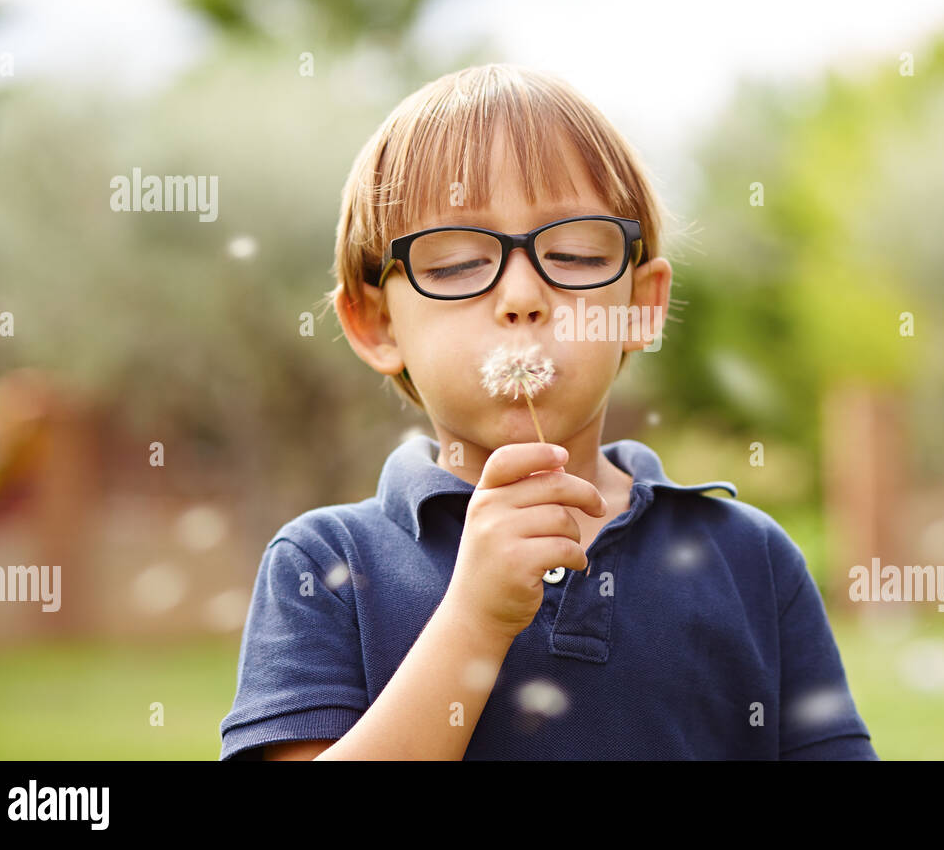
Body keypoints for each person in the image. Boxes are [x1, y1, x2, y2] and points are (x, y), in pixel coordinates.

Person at [218, 63, 878, 760]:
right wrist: (476, 620)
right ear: (378, 323)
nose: (523, 294)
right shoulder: (324, 566)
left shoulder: (752, 560)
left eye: (572, 252)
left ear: (643, 308)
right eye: (455, 263)